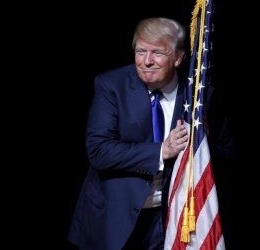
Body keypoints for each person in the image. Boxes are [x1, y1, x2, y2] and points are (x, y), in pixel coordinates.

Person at [67, 17, 235, 250]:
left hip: (170, 220)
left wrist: (202, 145)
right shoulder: (111, 86)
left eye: (157, 53)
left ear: (177, 58)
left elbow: (228, 155)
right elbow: (99, 152)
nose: (146, 61)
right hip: (113, 218)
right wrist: (162, 151)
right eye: (140, 51)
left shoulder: (201, 95)